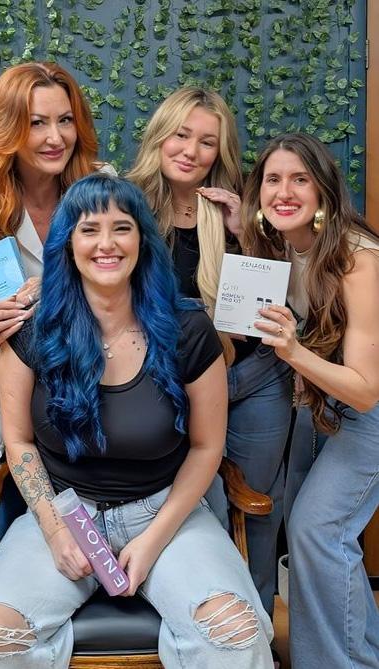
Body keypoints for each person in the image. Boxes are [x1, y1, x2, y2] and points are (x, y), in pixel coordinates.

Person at [0, 173, 274, 669]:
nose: (107, 244)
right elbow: (18, 441)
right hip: (64, 513)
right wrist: (56, 532)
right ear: (68, 244)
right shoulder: (32, 331)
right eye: (89, 229)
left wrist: (153, 540)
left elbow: (207, 447)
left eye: (122, 228)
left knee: (234, 634)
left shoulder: (189, 330)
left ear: (142, 240)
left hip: (165, 513)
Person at [0, 61, 110, 584]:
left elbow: (137, 286)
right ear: (9, 129)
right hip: (15, 419)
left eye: (65, 120)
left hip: (102, 401)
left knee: (96, 561)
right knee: (16, 566)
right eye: (37, 123)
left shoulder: (103, 191)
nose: (55, 137)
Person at [128, 87, 292, 617]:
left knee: (259, 506)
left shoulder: (243, 206)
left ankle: (257, 628)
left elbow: (287, 293)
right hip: (174, 386)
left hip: (254, 379)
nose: (191, 151)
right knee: (196, 508)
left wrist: (246, 231)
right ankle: (204, 623)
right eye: (181, 135)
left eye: (207, 142)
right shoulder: (128, 205)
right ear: (160, 135)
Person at [242, 132, 379, 669]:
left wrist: (293, 352)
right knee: (314, 538)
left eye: (299, 179)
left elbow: (365, 390)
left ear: (323, 188)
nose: (284, 192)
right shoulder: (285, 245)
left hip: (364, 410)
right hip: (319, 408)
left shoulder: (357, 257)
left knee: (317, 531)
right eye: (273, 180)